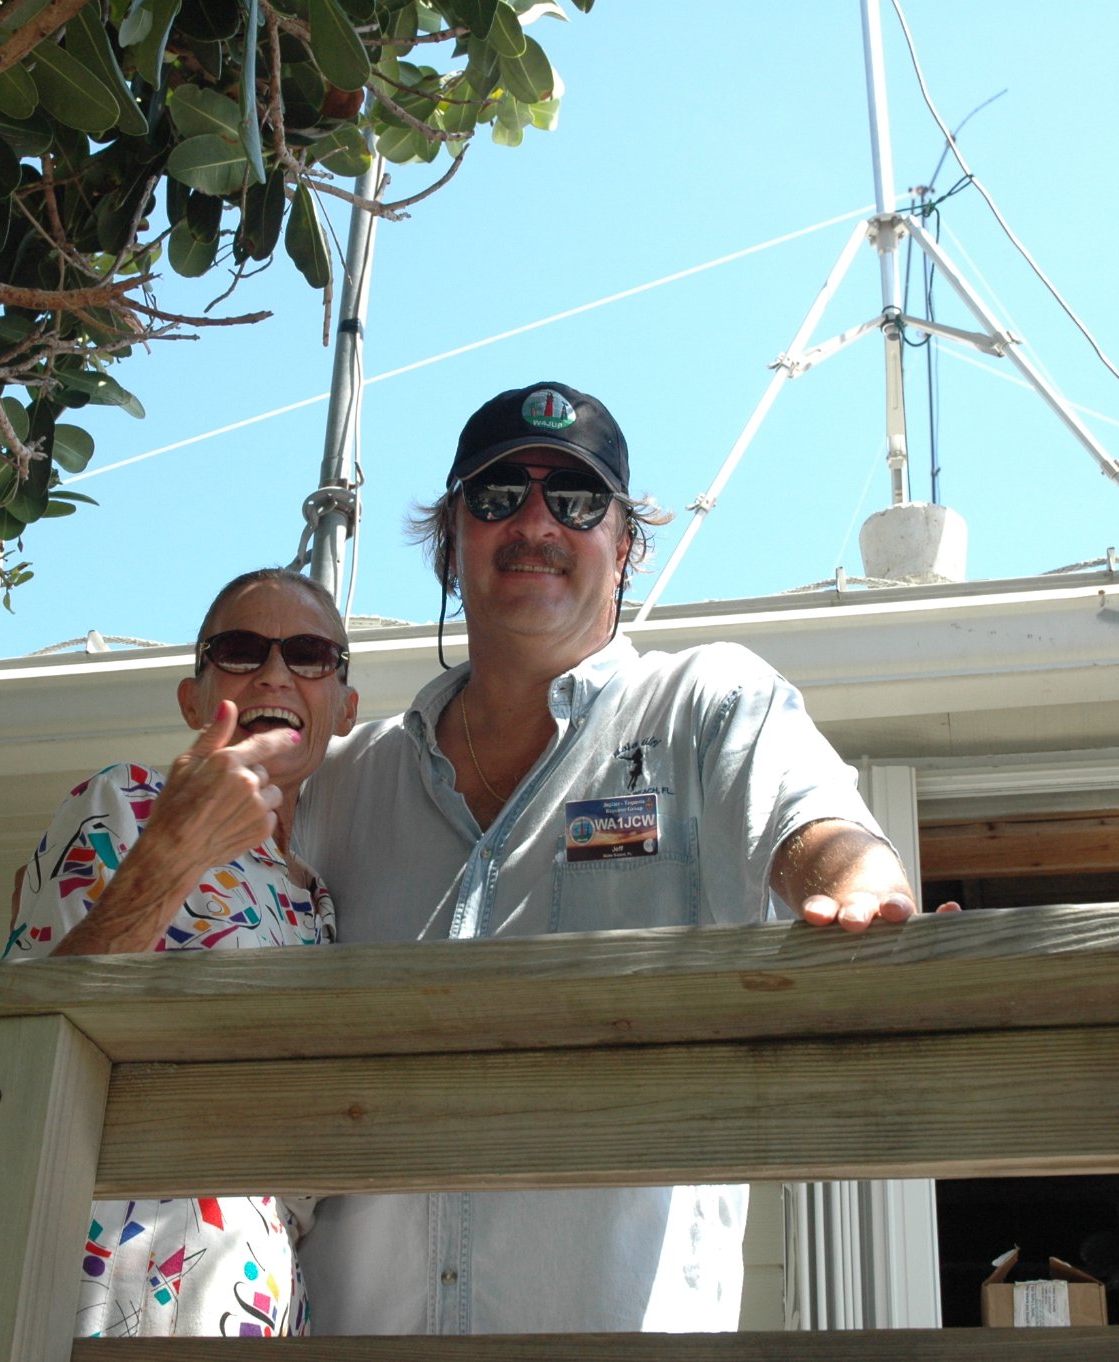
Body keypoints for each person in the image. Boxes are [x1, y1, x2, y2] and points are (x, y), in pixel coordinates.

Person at [291, 381, 951, 1335]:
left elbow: (818, 832)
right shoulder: (342, 782)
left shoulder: (707, 705)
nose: (534, 523)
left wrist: (865, 900)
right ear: (449, 540)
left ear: (627, 544)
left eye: (576, 499)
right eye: (497, 495)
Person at [5, 567, 359, 1339]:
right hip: (112, 1286)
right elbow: (23, 1041)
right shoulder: (126, 803)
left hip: (262, 1296)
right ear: (192, 699)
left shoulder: (322, 901)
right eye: (240, 650)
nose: (274, 673)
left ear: (344, 707)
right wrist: (176, 847)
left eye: (308, 654)